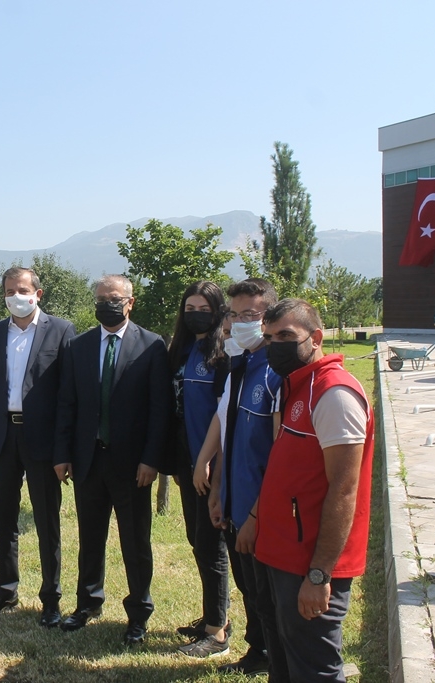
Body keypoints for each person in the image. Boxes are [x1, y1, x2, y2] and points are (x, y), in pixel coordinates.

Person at [256, 298, 375, 683]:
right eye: (269, 338)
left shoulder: (334, 394)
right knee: (286, 660)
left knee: (315, 669)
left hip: (309, 562)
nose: (275, 345)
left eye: (286, 336)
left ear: (316, 338)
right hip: (284, 553)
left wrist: (320, 575)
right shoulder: (299, 384)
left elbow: (344, 490)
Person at [54, 274, 171, 646]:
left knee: (135, 543)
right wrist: (62, 454)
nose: (108, 304)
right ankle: (88, 604)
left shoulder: (152, 346)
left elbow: (160, 410)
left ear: (130, 302)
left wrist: (151, 459)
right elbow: (67, 403)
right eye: (102, 299)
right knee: (90, 539)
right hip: (88, 461)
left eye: (115, 298)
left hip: (133, 466)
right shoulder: (79, 346)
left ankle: (138, 614)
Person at [0, 266, 75, 627]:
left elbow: (68, 396)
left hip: (43, 441)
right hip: (2, 437)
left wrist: (63, 450)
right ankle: (6, 591)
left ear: (37, 294)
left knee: (47, 522)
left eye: (22, 290)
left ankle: (51, 598)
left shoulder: (61, 330)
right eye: (9, 291)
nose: (15, 297)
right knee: (4, 519)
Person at [202, 278, 284, 676]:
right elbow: (229, 433)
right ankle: (259, 649)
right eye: (234, 315)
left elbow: (279, 456)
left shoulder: (276, 373)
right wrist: (218, 488)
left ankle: (271, 657)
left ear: (269, 317)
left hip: (262, 512)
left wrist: (255, 515)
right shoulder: (242, 364)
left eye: (249, 314)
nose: (240, 323)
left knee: (267, 594)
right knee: (250, 587)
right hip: (236, 503)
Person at [162, 281, 231, 657]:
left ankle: (216, 632)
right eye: (189, 309)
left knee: (210, 545)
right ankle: (214, 616)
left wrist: (209, 464)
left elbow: (223, 417)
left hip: (211, 466)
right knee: (196, 540)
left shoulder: (222, 355)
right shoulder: (182, 350)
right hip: (186, 463)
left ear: (218, 311)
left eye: (204, 309)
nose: (195, 315)